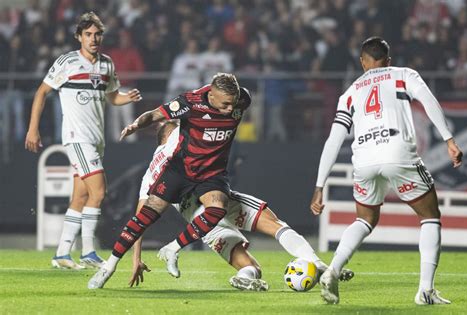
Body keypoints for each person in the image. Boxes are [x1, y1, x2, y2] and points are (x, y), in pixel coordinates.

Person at [310, 37, 463, 305]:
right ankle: (425, 291)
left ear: (362, 62)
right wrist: (449, 139)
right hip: (397, 152)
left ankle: (333, 269)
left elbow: (333, 139)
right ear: (388, 60)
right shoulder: (403, 75)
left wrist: (319, 185)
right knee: (430, 217)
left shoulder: (350, 93)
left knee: (365, 219)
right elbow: (428, 100)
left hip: (365, 159)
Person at [127, 121, 354, 291]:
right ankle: (319, 265)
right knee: (275, 225)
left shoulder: (151, 174)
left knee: (251, 267)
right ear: (169, 136)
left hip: (201, 222)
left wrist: (135, 259)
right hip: (222, 203)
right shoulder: (179, 145)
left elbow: (140, 220)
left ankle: (246, 277)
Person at [88, 73, 251, 289]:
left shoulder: (243, 99)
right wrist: (136, 125)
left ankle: (172, 249)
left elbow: (236, 103)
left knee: (217, 210)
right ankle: (108, 267)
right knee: (146, 215)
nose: (231, 109)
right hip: (181, 169)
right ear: (211, 95)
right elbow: (156, 114)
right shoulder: (190, 102)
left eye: (233, 103)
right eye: (225, 104)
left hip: (212, 173)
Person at [25, 12, 142, 270]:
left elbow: (112, 97)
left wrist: (128, 97)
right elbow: (41, 92)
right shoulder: (67, 62)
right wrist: (33, 129)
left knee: (80, 197)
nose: (93, 38)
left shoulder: (107, 64)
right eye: (88, 34)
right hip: (77, 138)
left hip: (96, 140)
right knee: (99, 192)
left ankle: (62, 254)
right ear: (79, 36)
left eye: (98, 34)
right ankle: (89, 251)